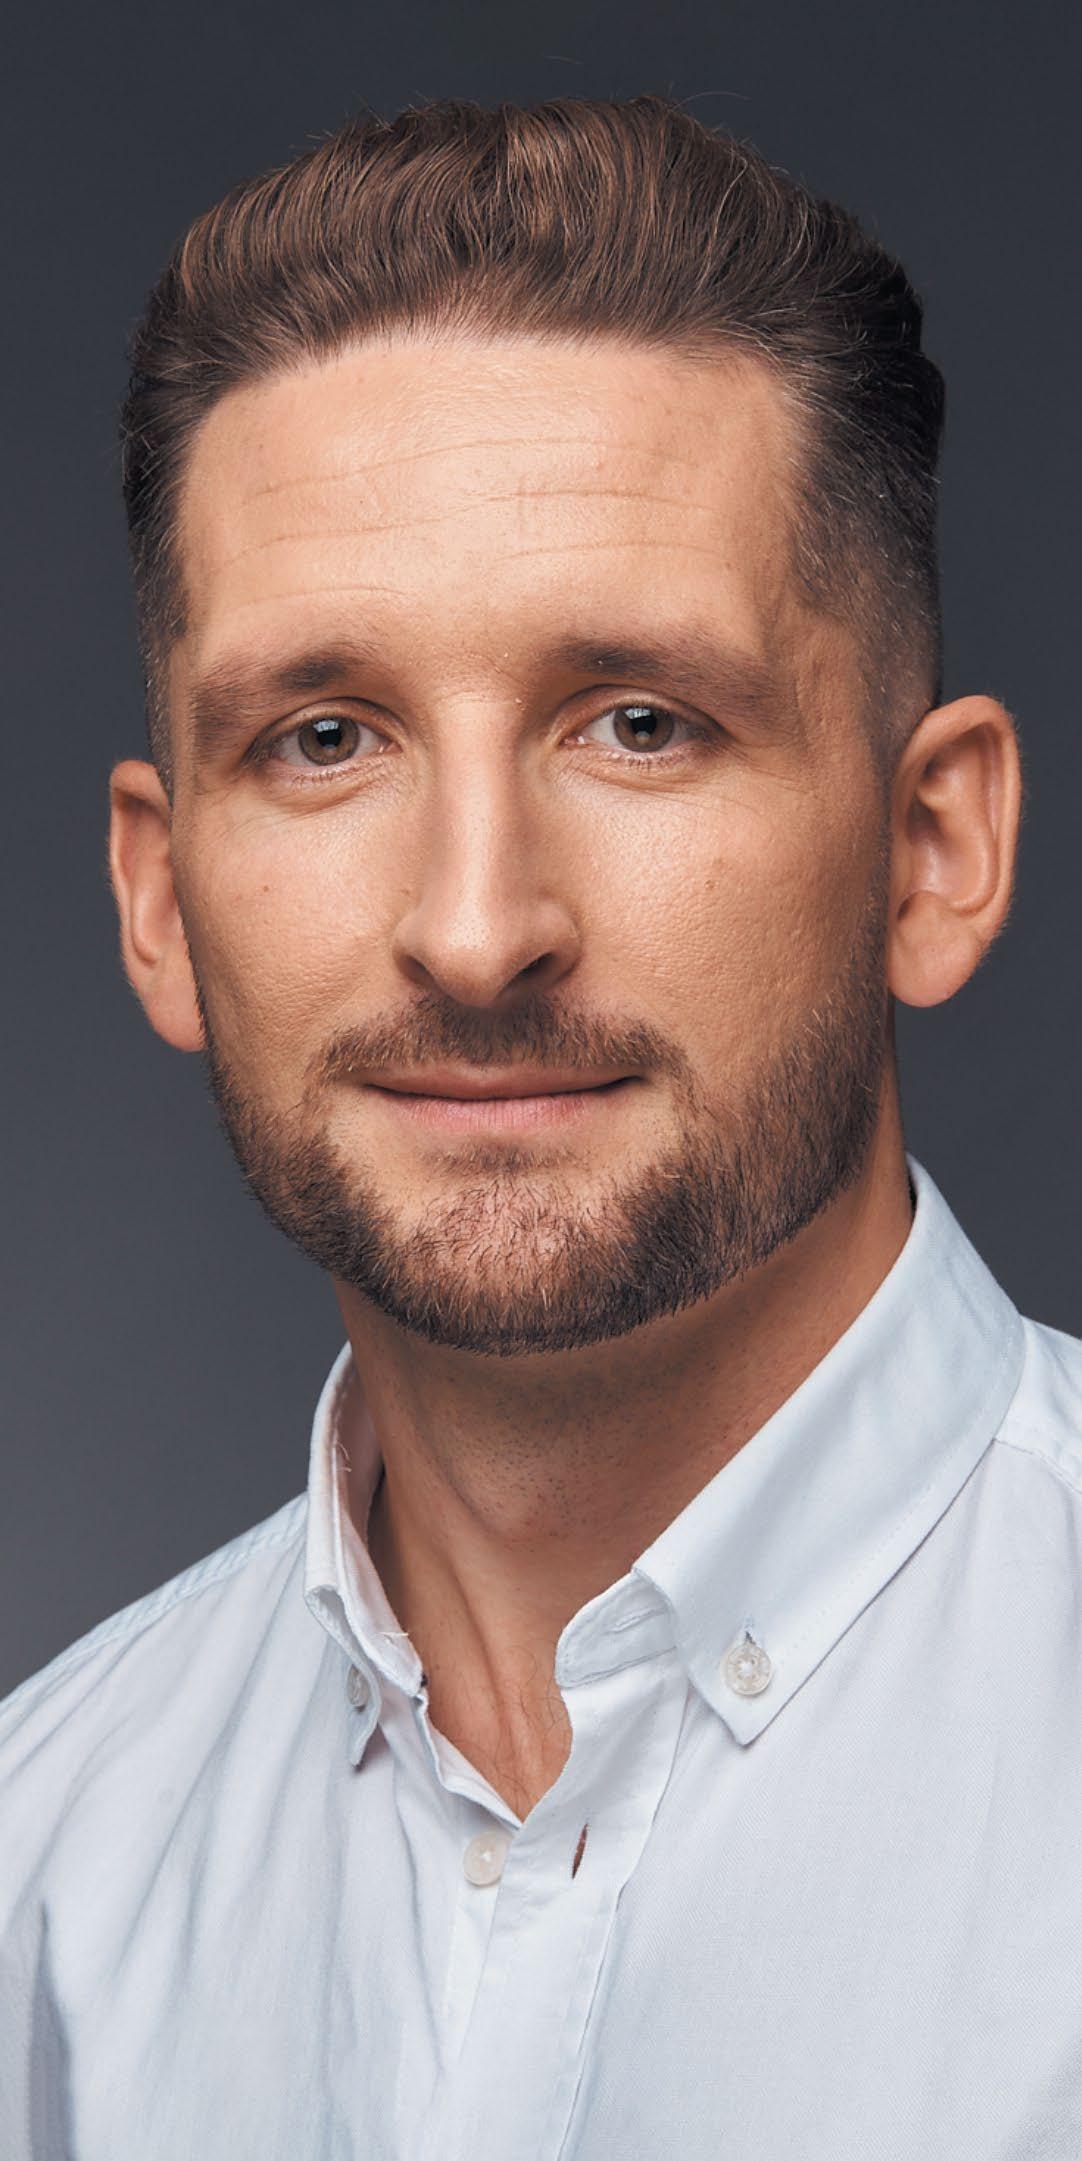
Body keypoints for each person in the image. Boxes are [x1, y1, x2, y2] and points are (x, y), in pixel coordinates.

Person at [0, 89, 1073, 2160]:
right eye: (325, 738)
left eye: (639, 722)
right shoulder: (42, 1880)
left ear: (933, 849)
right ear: (160, 901)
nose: (478, 928)